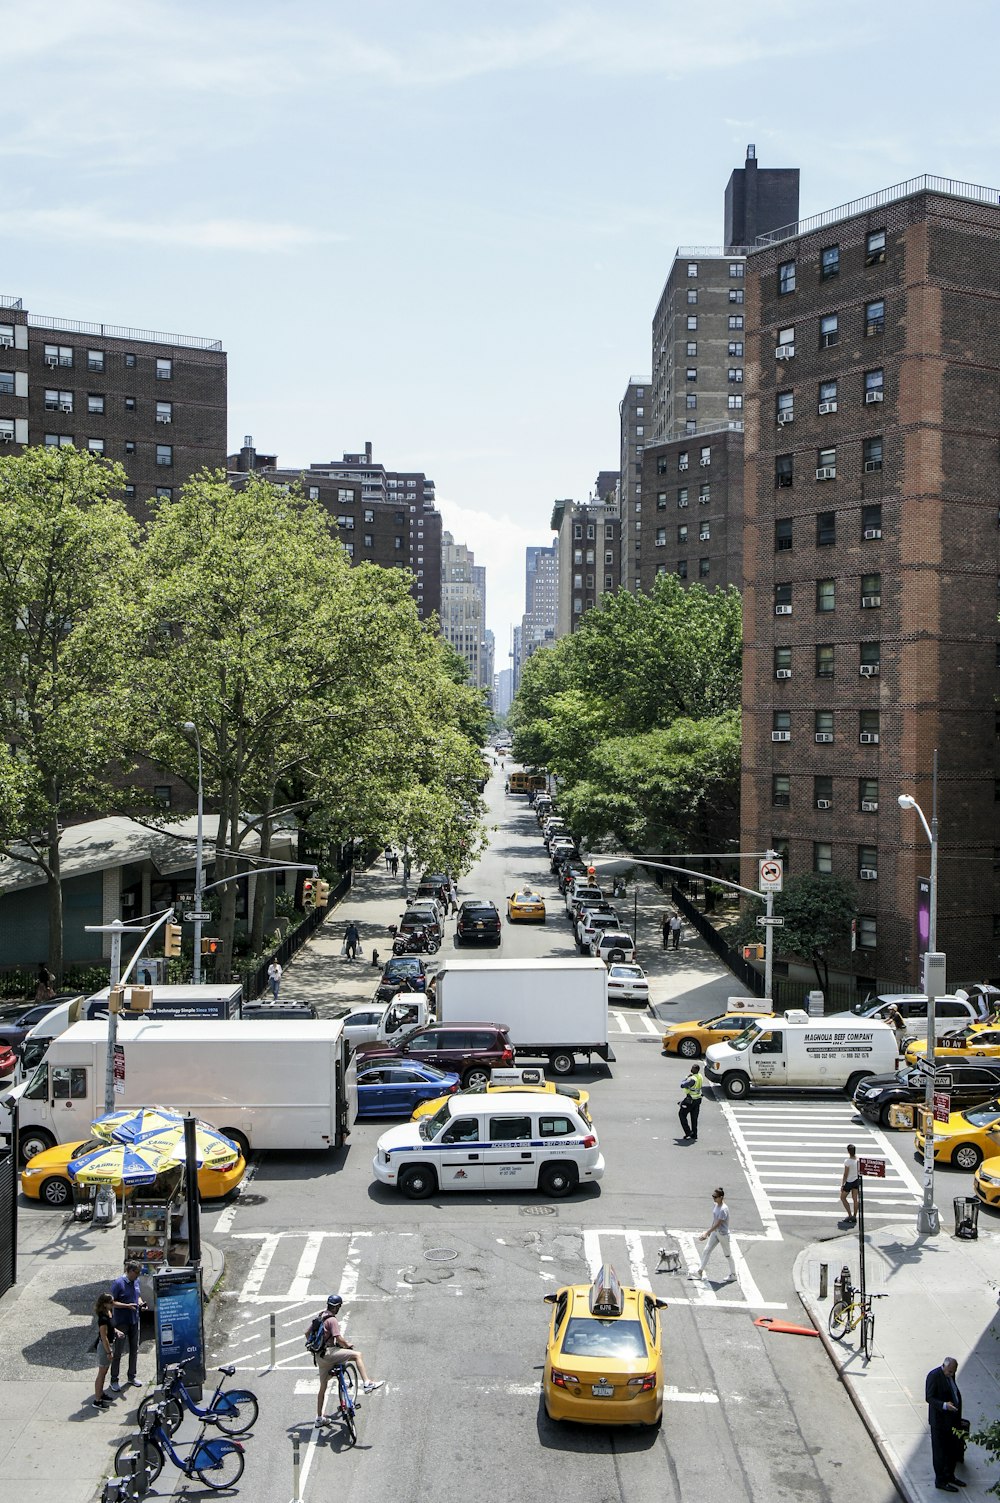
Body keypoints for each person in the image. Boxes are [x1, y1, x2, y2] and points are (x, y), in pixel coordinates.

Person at [310, 1294, 384, 1425]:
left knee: (323, 1387)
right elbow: (338, 1338)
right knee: (357, 1355)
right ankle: (367, 1383)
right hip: (329, 1353)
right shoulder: (332, 1320)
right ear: (336, 1306)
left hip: (319, 1356)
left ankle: (319, 1418)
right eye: (339, 1306)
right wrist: (348, 1345)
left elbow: (307, 1333)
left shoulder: (320, 1315)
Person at [925, 1357, 964, 1491]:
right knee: (940, 1452)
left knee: (952, 1450)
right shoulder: (934, 1376)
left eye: (953, 1372)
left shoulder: (950, 1375)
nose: (951, 1374)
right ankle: (940, 1480)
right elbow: (929, 1397)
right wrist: (944, 1405)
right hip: (939, 1422)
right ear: (944, 1366)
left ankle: (950, 1475)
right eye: (949, 1371)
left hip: (952, 1420)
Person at [109, 1262, 145, 1392]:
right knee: (118, 1352)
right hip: (121, 1322)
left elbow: (138, 1296)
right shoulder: (118, 1283)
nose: (138, 1275)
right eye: (136, 1273)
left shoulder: (136, 1281)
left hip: (134, 1320)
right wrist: (127, 1306)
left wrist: (140, 1303)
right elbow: (111, 1302)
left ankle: (131, 1376)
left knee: (134, 1350)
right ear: (129, 1271)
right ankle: (114, 1379)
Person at [694, 1188, 736, 1282]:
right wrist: (710, 1232)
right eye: (713, 1196)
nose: (713, 1198)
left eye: (715, 1197)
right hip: (715, 1232)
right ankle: (700, 1271)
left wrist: (707, 1232)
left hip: (723, 1234)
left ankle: (733, 1275)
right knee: (706, 1250)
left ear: (721, 1197)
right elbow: (714, 1220)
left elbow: (718, 1224)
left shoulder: (723, 1209)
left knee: (728, 1255)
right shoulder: (716, 1205)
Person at [93, 1293, 120, 1409]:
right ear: (104, 1304)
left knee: (104, 1373)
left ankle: (101, 1394)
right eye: (111, 1302)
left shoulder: (109, 1313)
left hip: (109, 1345)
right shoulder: (103, 1319)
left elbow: (111, 1328)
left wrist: (117, 1332)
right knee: (101, 1374)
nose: (113, 1304)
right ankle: (97, 1400)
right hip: (105, 1348)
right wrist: (109, 1352)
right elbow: (104, 1337)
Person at [678, 1063, 703, 1141]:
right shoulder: (699, 1076)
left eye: (692, 1068)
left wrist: (686, 1078)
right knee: (694, 1118)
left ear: (695, 1070)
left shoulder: (692, 1079)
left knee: (681, 1114)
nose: (691, 1069)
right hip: (698, 1099)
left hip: (690, 1100)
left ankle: (688, 1132)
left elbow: (682, 1085)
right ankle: (694, 1134)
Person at [839, 1143, 860, 1226]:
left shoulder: (847, 1162)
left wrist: (842, 1184)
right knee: (855, 1199)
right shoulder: (858, 1160)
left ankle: (850, 1215)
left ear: (848, 1151)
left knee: (842, 1197)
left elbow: (845, 1174)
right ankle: (855, 1216)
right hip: (856, 1181)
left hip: (849, 1182)